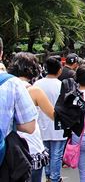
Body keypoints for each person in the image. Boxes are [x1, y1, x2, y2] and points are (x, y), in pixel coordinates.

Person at [7, 52, 54, 182]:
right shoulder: (34, 91)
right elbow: (54, 115)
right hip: (31, 147)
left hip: (10, 146)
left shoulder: (5, 87)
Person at [34, 56, 66, 182]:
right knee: (57, 154)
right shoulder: (61, 85)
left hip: (41, 123)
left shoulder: (37, 84)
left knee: (45, 152)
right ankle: (55, 177)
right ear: (59, 70)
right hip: (58, 125)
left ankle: (48, 175)